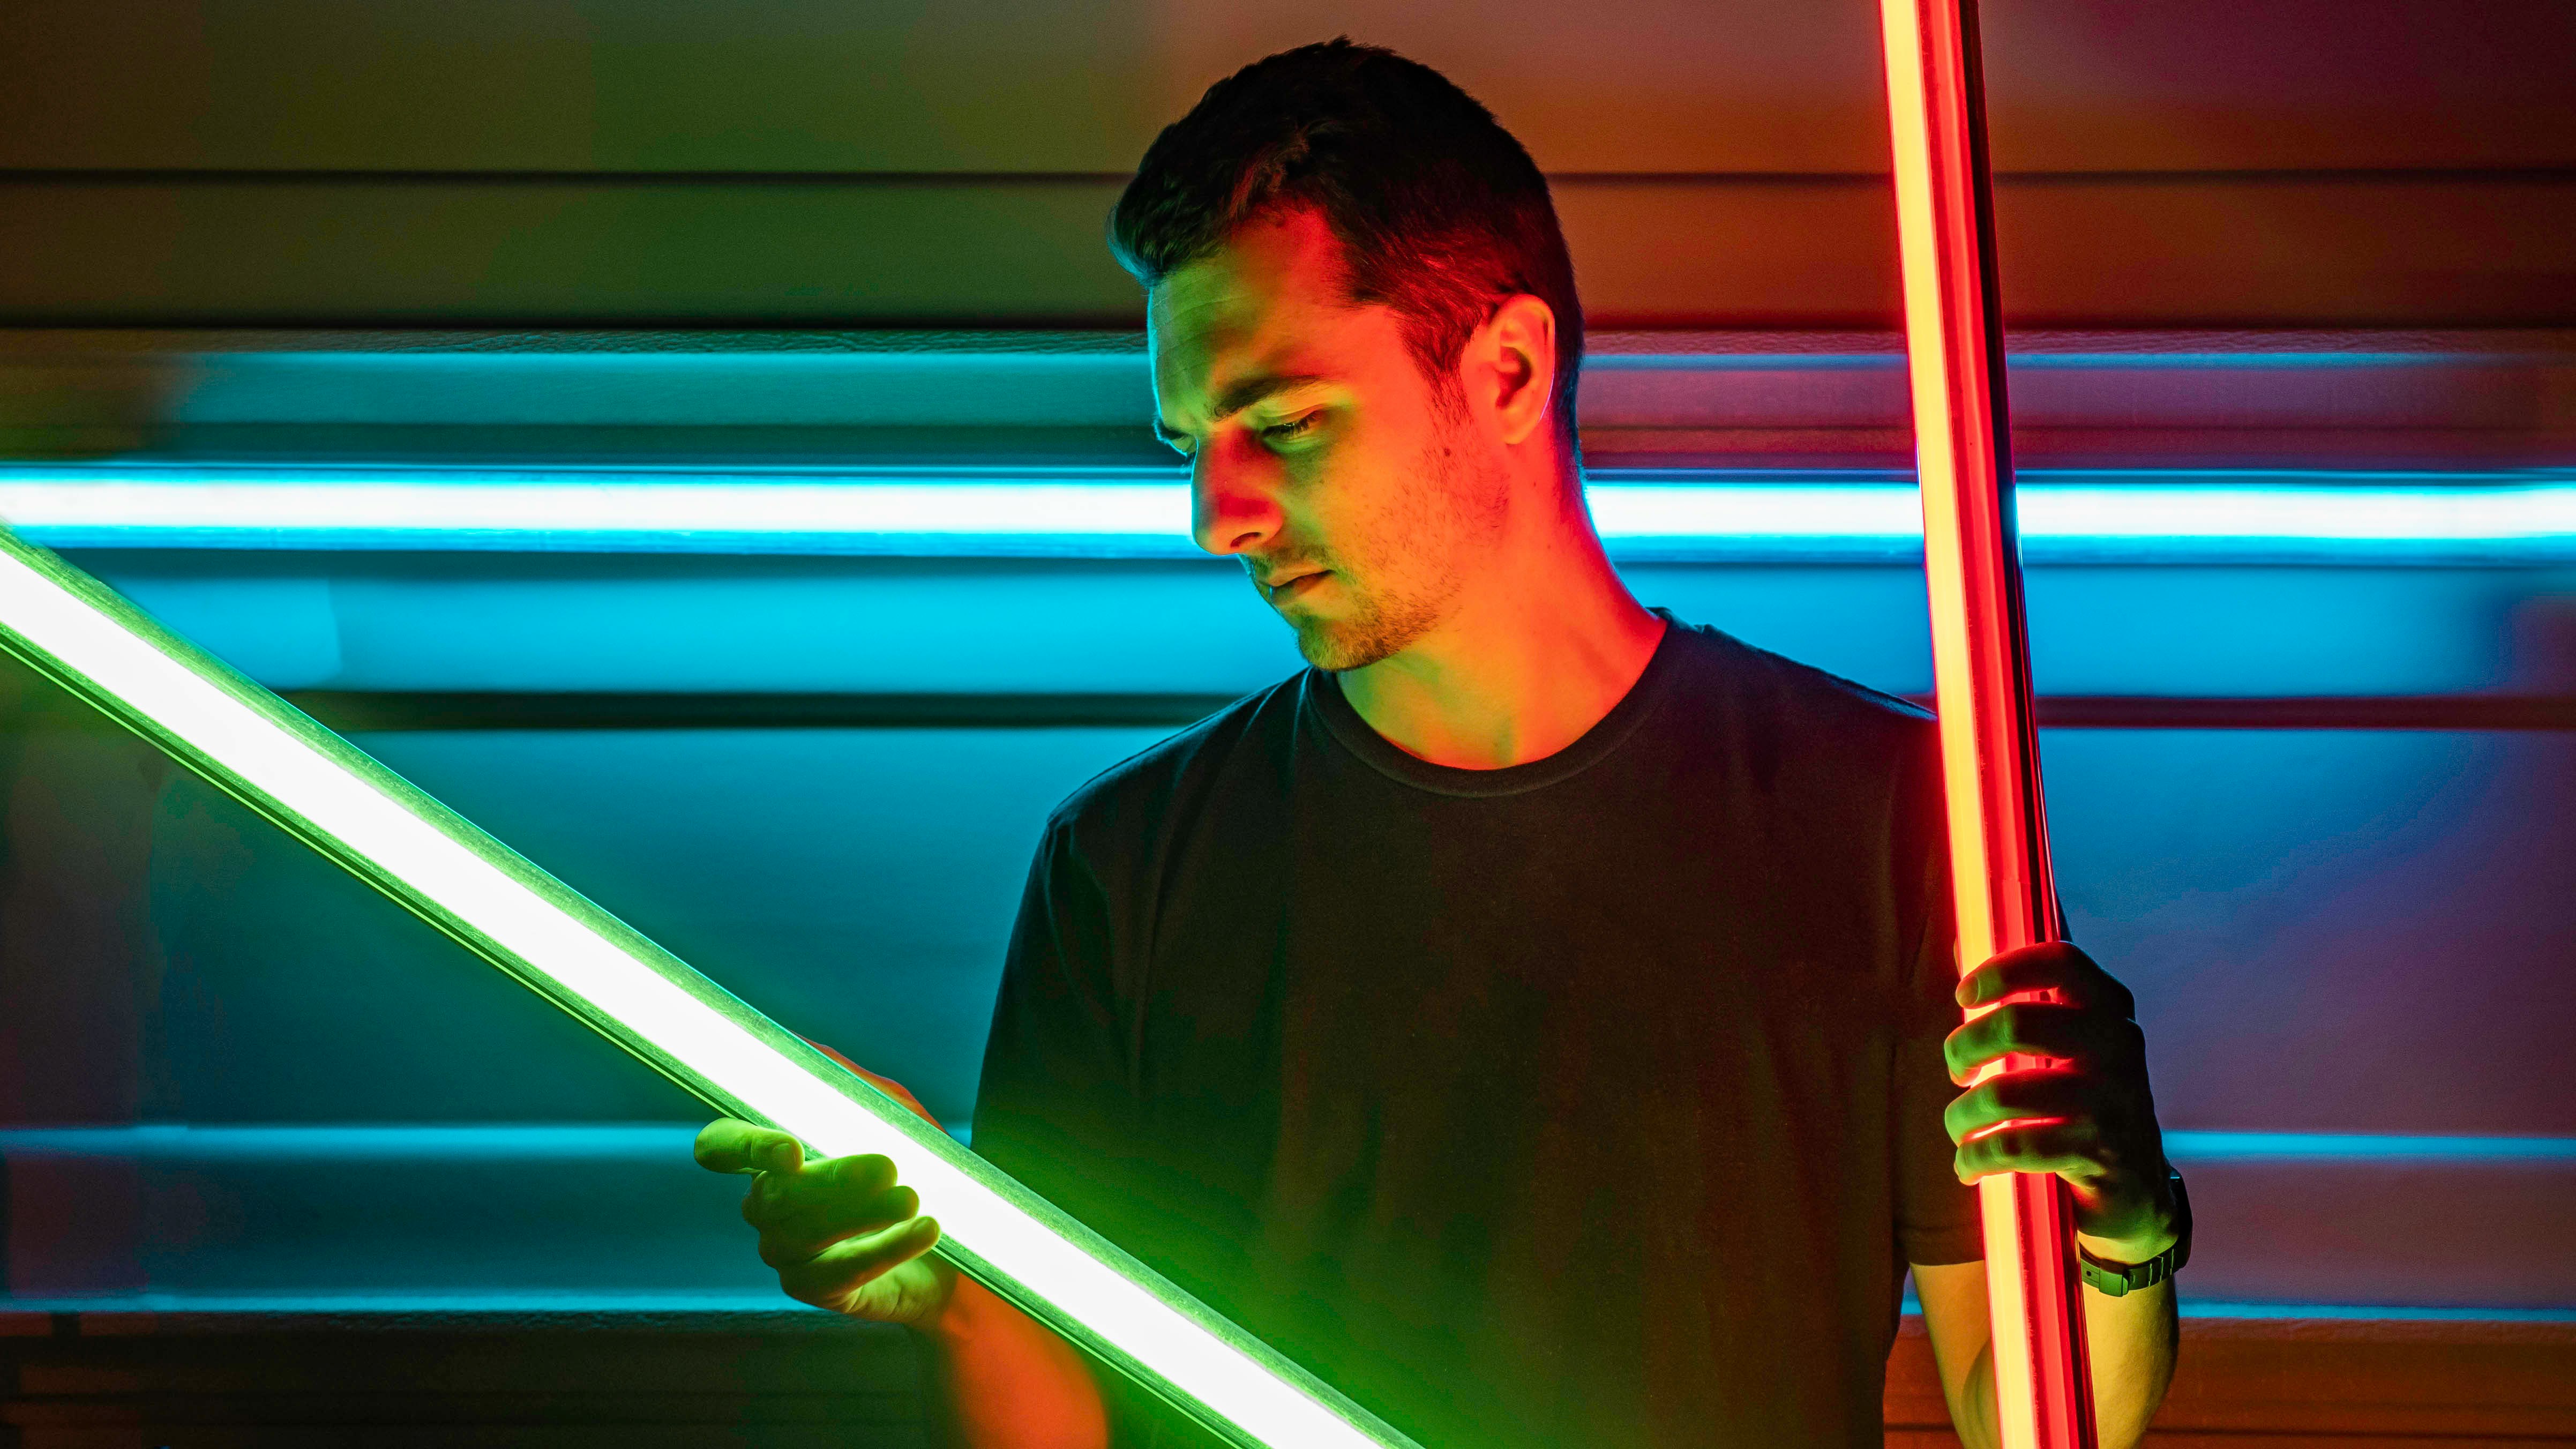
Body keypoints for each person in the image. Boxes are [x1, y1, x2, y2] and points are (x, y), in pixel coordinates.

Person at [694, 38, 2185, 1449]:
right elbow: (1070, 1412)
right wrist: (953, 1278)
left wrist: (2120, 1233)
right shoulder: (1129, 869)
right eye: (1189, 442)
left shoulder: (1890, 818)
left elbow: (2027, 1414)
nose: (1216, 517)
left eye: (1280, 423)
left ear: (1510, 372)